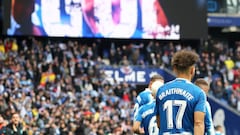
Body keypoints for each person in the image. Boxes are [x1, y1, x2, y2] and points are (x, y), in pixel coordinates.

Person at [155, 50, 206, 135]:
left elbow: (159, 122)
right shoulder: (198, 93)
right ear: (192, 70)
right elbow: (198, 123)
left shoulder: (161, 90)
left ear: (174, 69)